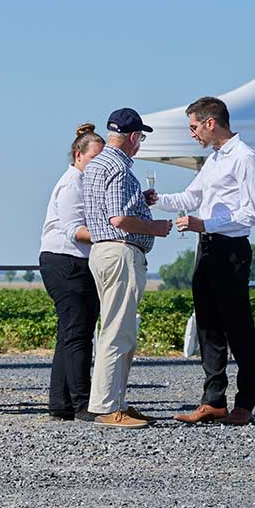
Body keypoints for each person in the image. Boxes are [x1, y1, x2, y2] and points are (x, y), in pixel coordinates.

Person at [151, 96, 255, 427]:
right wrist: (158, 201)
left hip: (231, 249)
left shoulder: (246, 158)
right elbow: (192, 197)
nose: (192, 134)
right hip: (207, 249)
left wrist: (205, 224)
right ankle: (214, 400)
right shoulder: (213, 160)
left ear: (210, 122)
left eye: (193, 127)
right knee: (207, 325)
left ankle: (245, 403)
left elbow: (251, 213)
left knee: (238, 326)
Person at [80, 107, 174, 428]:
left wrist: (140, 203)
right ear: (134, 137)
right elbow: (118, 219)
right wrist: (156, 227)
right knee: (118, 332)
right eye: (141, 138)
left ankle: (115, 401)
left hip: (103, 252)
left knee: (115, 329)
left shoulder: (97, 165)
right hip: (121, 252)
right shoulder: (120, 168)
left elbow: (110, 210)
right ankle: (108, 405)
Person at [38, 123, 105, 421]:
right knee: (78, 333)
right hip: (66, 260)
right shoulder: (72, 185)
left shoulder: (82, 183)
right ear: (79, 155)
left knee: (70, 331)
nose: (98, 166)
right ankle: (81, 401)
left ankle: (61, 401)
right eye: (95, 159)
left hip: (72, 260)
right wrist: (112, 233)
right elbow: (74, 230)